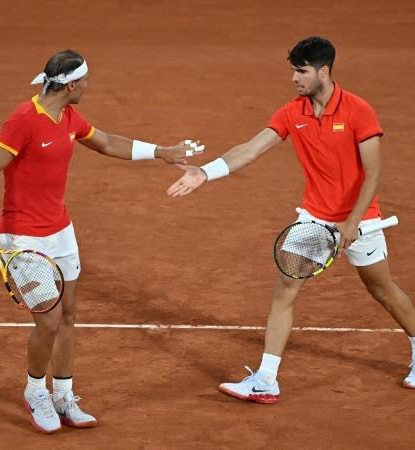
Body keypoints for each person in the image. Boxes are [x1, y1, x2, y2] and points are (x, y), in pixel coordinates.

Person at [167, 36, 415, 403]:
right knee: (286, 285)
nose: (294, 78)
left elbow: (374, 174)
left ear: (323, 71)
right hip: (314, 219)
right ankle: (267, 379)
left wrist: (352, 222)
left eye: (301, 71)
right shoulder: (291, 113)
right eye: (293, 70)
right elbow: (250, 149)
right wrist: (204, 172)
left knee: (381, 289)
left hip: (361, 219)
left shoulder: (359, 111)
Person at [0, 49, 204, 433]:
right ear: (68, 86)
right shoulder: (23, 120)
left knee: (68, 315)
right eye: (84, 82)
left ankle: (64, 395)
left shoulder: (68, 116)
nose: (87, 86)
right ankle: (35, 391)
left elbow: (107, 143)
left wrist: (161, 152)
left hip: (62, 232)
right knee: (47, 322)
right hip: (26, 237)